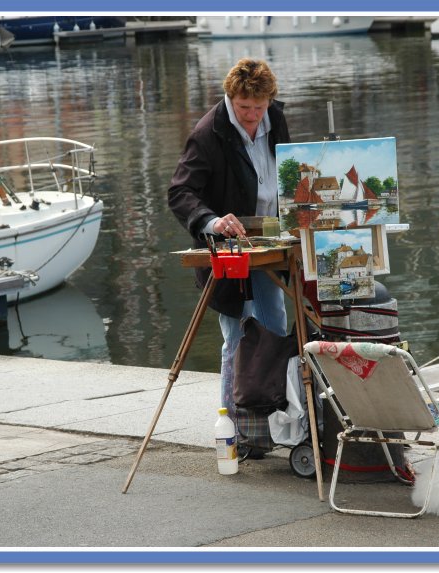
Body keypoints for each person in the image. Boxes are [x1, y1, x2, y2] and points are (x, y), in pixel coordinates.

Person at [168, 58, 290, 456]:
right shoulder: (210, 131)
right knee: (236, 338)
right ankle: (235, 430)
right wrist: (213, 221)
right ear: (230, 98)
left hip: (271, 244)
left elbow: (289, 171)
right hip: (229, 248)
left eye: (259, 108)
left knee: (276, 330)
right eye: (244, 108)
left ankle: (275, 423)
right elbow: (181, 193)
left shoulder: (276, 118)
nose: (253, 117)